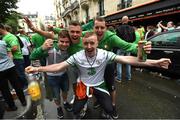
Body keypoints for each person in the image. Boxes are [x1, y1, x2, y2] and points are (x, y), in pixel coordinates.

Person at [25, 32, 171, 119]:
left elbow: (128, 59)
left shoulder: (104, 54)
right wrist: (38, 69)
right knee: (75, 110)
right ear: (83, 44)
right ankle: (81, 109)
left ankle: (105, 110)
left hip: (99, 84)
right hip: (83, 85)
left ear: (97, 43)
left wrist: (155, 63)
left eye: (92, 43)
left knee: (109, 109)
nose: (89, 47)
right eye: (86, 43)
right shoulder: (77, 55)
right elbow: (58, 67)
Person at [91, 16, 151, 118]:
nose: (99, 30)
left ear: (105, 28)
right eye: (97, 27)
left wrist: (140, 48)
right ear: (93, 28)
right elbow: (73, 34)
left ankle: (113, 106)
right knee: (95, 86)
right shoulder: (89, 35)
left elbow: (127, 45)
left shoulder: (111, 37)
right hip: (95, 66)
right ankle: (98, 100)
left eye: (102, 27)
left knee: (111, 86)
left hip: (108, 65)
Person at [30, 30, 72, 118]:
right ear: (58, 40)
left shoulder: (70, 48)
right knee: (56, 95)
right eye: (62, 41)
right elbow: (32, 56)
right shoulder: (50, 48)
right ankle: (58, 108)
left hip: (64, 75)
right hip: (52, 77)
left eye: (67, 42)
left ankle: (65, 102)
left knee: (65, 91)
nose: (64, 44)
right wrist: (42, 48)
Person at [0, 40, 26, 111]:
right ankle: (23, 101)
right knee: (17, 85)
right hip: (10, 66)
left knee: (4, 89)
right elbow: (10, 53)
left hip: (1, 70)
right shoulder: (3, 42)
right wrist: (10, 62)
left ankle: (12, 106)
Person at [0, 23, 28, 89]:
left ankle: (26, 87)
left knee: (20, 74)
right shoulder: (4, 37)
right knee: (17, 75)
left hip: (17, 58)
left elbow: (15, 47)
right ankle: (22, 87)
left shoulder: (10, 36)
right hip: (12, 59)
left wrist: (5, 50)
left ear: (1, 28)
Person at [116, 16, 140, 82]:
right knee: (128, 62)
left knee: (119, 62)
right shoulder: (132, 28)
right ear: (128, 20)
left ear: (122, 21)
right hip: (129, 47)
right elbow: (134, 39)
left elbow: (117, 39)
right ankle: (128, 77)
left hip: (121, 47)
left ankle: (119, 78)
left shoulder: (119, 28)